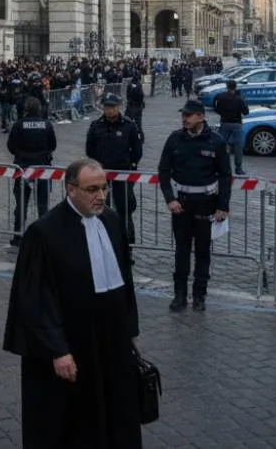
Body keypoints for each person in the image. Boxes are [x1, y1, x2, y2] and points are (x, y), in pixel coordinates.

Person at [4, 159, 141, 449]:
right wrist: (57, 350)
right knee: (68, 420)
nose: (101, 196)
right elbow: (36, 299)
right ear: (71, 189)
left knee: (113, 411)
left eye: (104, 187)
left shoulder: (112, 220)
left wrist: (128, 331)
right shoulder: (43, 233)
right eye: (92, 189)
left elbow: (124, 283)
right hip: (71, 343)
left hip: (109, 340)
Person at [157, 99, 231, 311]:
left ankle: (200, 295)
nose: (185, 118)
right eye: (183, 114)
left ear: (201, 116)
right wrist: (170, 199)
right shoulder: (175, 139)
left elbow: (225, 175)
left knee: (202, 251)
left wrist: (223, 206)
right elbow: (163, 170)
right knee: (181, 250)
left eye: (189, 115)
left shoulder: (215, 142)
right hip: (182, 203)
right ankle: (179, 294)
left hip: (206, 203)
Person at [84, 92, 143, 245]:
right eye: (107, 107)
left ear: (119, 107)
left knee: (125, 210)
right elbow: (90, 150)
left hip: (123, 174)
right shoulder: (96, 126)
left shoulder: (129, 125)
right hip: (102, 176)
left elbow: (137, 151)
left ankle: (128, 244)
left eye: (113, 107)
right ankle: (103, 241)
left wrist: (130, 167)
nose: (110, 110)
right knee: (101, 209)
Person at [7, 97, 58, 247]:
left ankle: (18, 235)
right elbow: (52, 145)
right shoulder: (47, 124)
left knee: (21, 203)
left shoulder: (19, 125)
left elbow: (11, 146)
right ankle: (44, 235)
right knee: (43, 204)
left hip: (23, 168)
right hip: (43, 168)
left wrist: (22, 154)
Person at [211, 79, 250, 176]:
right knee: (238, 147)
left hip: (224, 123)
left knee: (220, 145)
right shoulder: (239, 98)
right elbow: (246, 112)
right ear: (235, 87)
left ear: (227, 86)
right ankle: (238, 168)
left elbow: (216, 108)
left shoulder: (221, 96)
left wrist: (223, 113)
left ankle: (218, 165)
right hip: (236, 124)